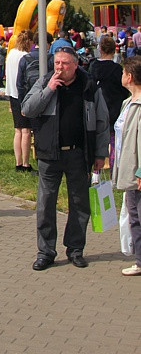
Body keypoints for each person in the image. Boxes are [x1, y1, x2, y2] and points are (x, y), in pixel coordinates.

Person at [22, 46, 109, 270]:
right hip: (49, 154)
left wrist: (100, 154)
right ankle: (46, 252)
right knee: (45, 204)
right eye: (57, 63)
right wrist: (49, 89)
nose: (60, 68)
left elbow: (102, 122)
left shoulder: (89, 85)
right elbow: (27, 109)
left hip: (79, 154)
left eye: (65, 64)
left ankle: (75, 249)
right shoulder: (45, 81)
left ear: (76, 64)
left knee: (80, 204)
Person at [112, 56, 141, 275]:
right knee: (133, 215)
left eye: (123, 72)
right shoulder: (127, 102)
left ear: (129, 76)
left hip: (137, 171)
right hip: (128, 167)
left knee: (138, 216)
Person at [87, 36, 128, 174]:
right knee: (113, 141)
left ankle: (95, 172)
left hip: (95, 107)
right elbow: (124, 89)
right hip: (112, 107)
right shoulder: (116, 69)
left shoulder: (92, 66)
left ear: (100, 49)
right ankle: (113, 171)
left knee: (95, 139)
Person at [5, 30, 33, 172]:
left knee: (18, 130)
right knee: (26, 131)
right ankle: (26, 163)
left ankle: (18, 161)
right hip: (23, 94)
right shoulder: (25, 57)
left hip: (12, 94)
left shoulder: (11, 54)